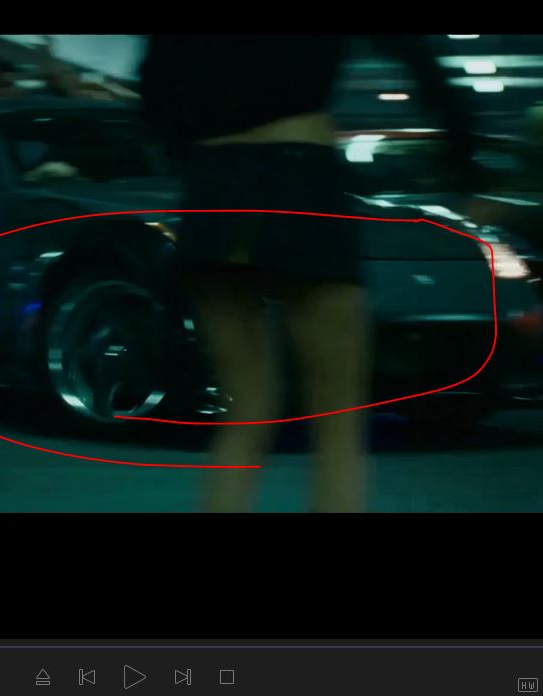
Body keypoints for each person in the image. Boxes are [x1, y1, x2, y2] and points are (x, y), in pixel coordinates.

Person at [140, 35, 476, 512]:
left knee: (245, 414)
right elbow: (415, 54)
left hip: (213, 186)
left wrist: (193, 153)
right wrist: (462, 157)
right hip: (300, 177)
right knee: (337, 420)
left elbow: (153, 91)